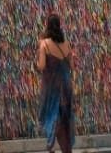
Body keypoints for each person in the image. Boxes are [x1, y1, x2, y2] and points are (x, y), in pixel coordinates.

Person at [37, 13, 73, 153]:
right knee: (64, 119)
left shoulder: (44, 44)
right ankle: (65, 149)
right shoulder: (66, 44)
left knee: (51, 116)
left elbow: (41, 66)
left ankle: (51, 144)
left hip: (52, 88)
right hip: (65, 86)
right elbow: (71, 66)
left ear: (47, 26)